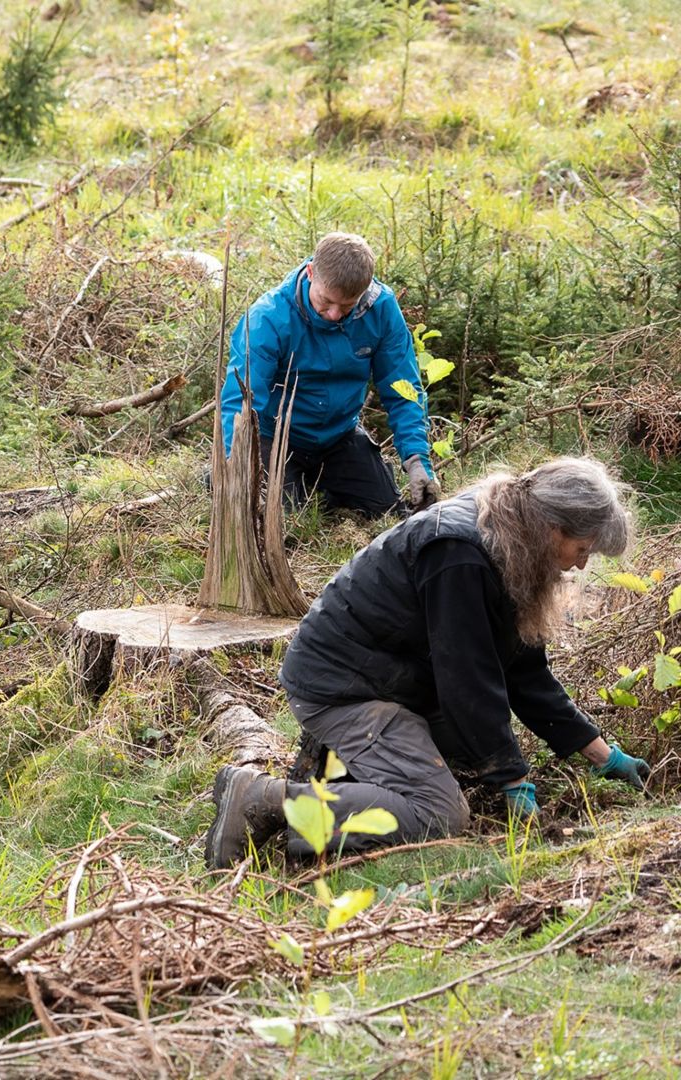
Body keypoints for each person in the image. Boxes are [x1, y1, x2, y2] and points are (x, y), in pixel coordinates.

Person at [204, 457, 650, 869]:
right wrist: (510, 777)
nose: (581, 564)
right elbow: (466, 677)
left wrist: (603, 755)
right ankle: (265, 798)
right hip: (343, 688)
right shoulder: (460, 551)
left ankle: (344, 768)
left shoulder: (512, 542)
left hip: (389, 677)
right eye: (583, 548)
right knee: (439, 813)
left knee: (466, 744)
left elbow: (522, 672)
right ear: (554, 527)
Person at [220, 232, 442, 518]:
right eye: (326, 302)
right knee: (282, 520)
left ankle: (315, 484)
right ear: (311, 272)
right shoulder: (267, 319)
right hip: (275, 440)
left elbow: (403, 388)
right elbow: (241, 404)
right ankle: (218, 478)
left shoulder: (382, 308)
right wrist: (235, 471)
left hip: (340, 436)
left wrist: (416, 459)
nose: (336, 314)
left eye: (348, 306)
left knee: (390, 512)